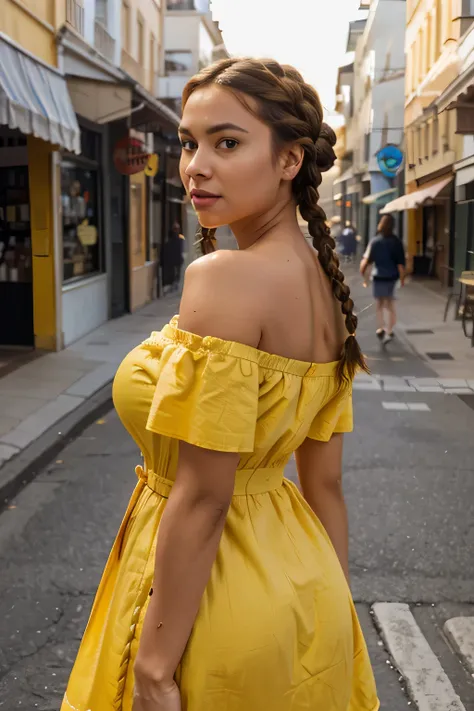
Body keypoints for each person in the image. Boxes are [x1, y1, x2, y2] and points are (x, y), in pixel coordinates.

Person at [61, 58, 379, 711]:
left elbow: (204, 496)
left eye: (226, 142)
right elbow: (324, 485)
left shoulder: (226, 278)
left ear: (289, 160)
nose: (195, 165)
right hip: (300, 591)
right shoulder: (327, 287)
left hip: (209, 604)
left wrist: (153, 667)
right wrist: (330, 616)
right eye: (188, 142)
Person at [360, 214, 406, 345]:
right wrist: (402, 280)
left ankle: (380, 328)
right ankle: (389, 330)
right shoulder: (397, 242)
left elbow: (367, 262)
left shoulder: (375, 241)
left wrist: (365, 278)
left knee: (379, 304)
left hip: (378, 276)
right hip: (391, 277)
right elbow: (400, 265)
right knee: (390, 304)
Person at [161, 222, 184, 292]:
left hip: (177, 259)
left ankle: (175, 283)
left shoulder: (180, 238)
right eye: (175, 229)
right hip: (174, 259)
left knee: (177, 272)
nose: (176, 230)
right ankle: (174, 284)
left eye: (177, 229)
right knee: (174, 272)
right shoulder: (172, 239)